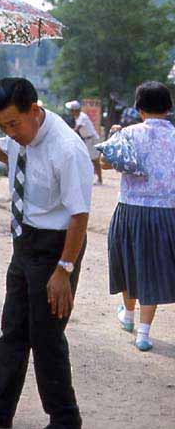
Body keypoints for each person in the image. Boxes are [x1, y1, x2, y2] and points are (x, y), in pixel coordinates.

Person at [0, 78, 92, 429]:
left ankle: (65, 418)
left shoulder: (66, 149)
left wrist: (64, 269)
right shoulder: (19, 136)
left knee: (46, 335)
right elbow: (4, 151)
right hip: (24, 242)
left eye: (14, 123)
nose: (10, 132)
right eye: (2, 125)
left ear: (34, 109)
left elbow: (79, 215)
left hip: (57, 247)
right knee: (13, 329)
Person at [102, 81, 175, 352]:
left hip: (131, 209)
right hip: (167, 213)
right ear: (169, 108)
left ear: (139, 108)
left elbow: (105, 162)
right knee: (151, 268)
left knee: (129, 261)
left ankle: (128, 317)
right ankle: (143, 333)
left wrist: (114, 137)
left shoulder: (129, 133)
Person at [66, 100, 102, 185]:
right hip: (87, 140)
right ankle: (90, 177)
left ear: (75, 110)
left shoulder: (82, 117)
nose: (70, 112)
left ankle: (100, 179)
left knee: (95, 160)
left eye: (71, 110)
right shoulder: (77, 117)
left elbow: (77, 129)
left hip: (92, 139)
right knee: (87, 159)